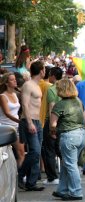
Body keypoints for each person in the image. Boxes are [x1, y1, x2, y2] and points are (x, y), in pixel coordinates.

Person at [50, 79, 85, 201]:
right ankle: (62, 189)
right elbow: (84, 116)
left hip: (68, 135)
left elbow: (53, 124)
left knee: (70, 164)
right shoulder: (78, 101)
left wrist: (53, 132)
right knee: (68, 163)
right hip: (81, 134)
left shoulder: (60, 104)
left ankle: (76, 191)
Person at [18, 61, 45, 191]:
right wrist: (29, 123)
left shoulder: (37, 85)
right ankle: (20, 173)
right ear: (41, 71)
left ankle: (31, 182)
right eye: (44, 69)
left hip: (37, 121)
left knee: (37, 152)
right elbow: (25, 104)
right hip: (29, 121)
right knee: (35, 151)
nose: (45, 71)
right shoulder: (28, 85)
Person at [41, 67, 63, 185]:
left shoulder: (52, 89)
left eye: (50, 74)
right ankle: (71, 169)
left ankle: (52, 177)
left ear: (53, 75)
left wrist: (51, 127)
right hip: (64, 121)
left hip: (53, 121)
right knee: (61, 148)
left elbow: (51, 108)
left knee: (49, 150)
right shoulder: (66, 87)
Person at [0, 73, 25, 167]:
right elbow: (7, 113)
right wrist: (20, 121)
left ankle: (19, 176)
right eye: (12, 80)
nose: (15, 81)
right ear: (6, 83)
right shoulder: (2, 96)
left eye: (15, 79)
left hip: (16, 126)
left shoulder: (15, 94)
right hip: (6, 127)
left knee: (21, 153)